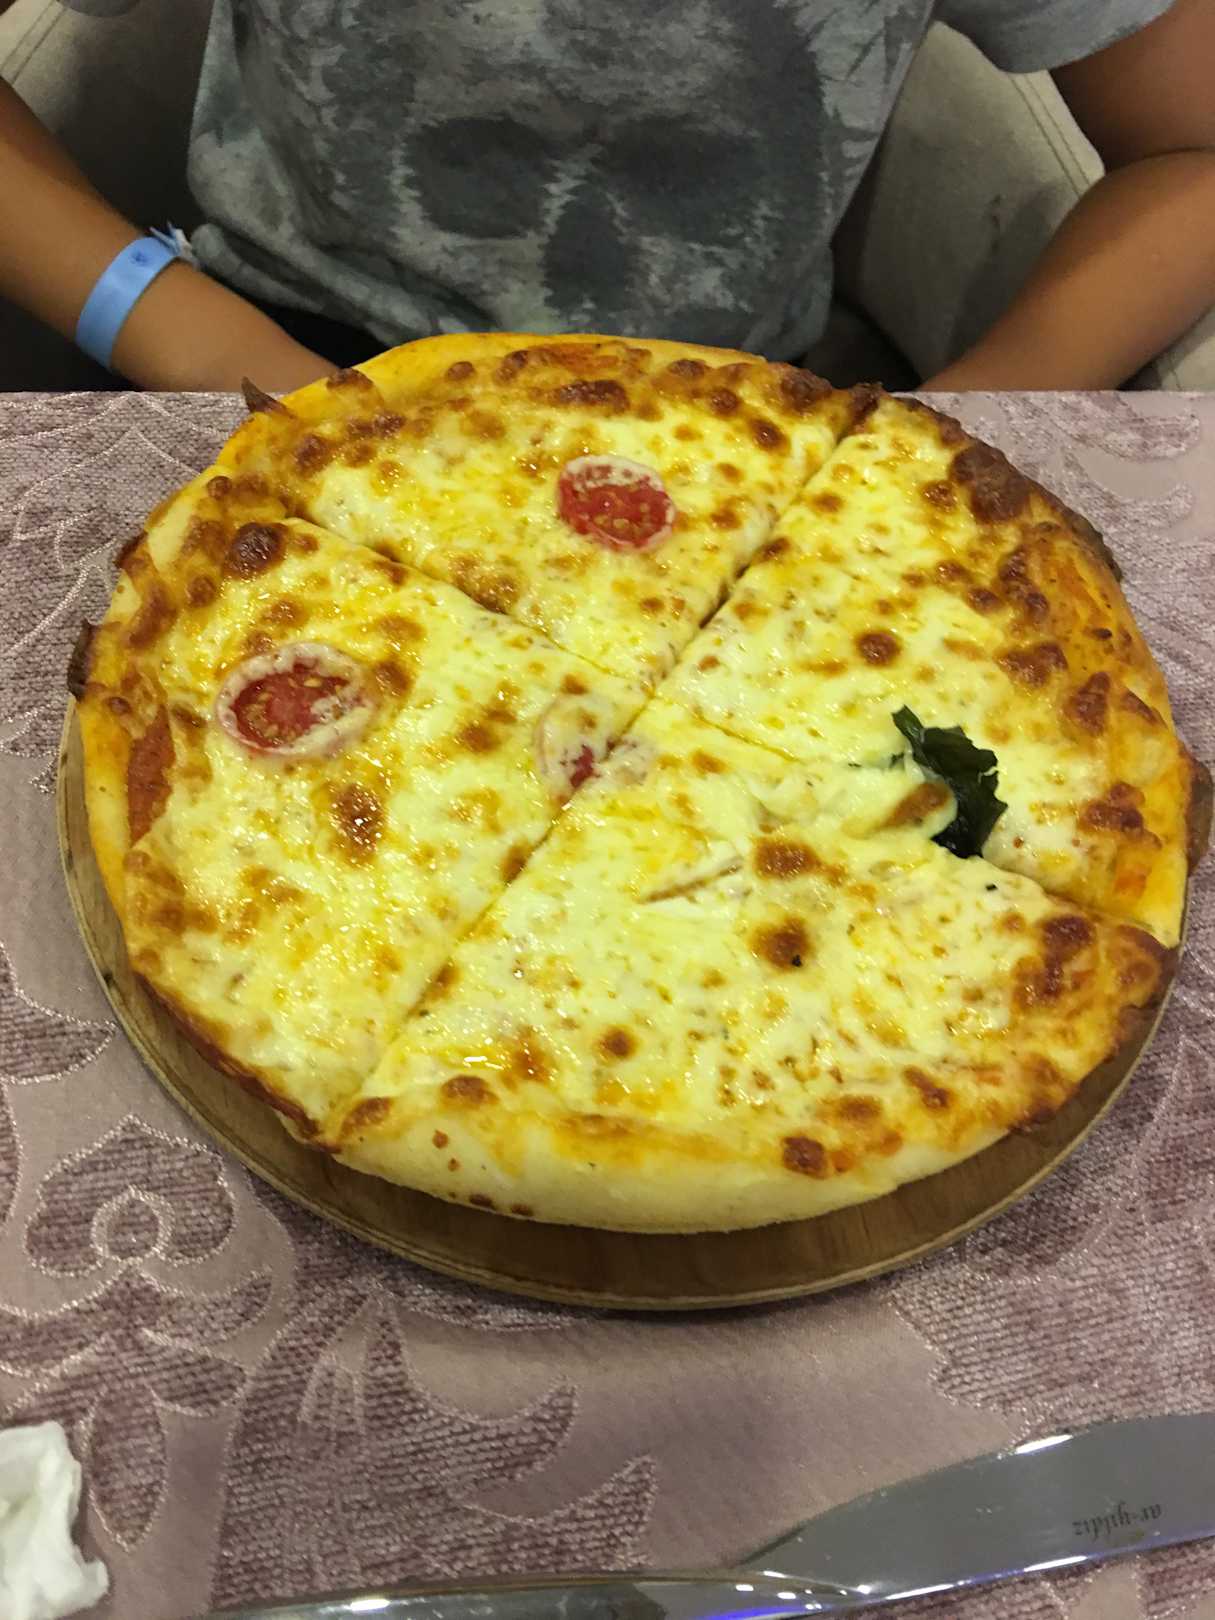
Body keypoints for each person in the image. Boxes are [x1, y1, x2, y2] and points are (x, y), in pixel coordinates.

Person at [1, 0, 1212, 393]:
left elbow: (1190, 148)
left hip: (728, 419)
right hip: (261, 358)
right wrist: (186, 333)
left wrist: (975, 413)